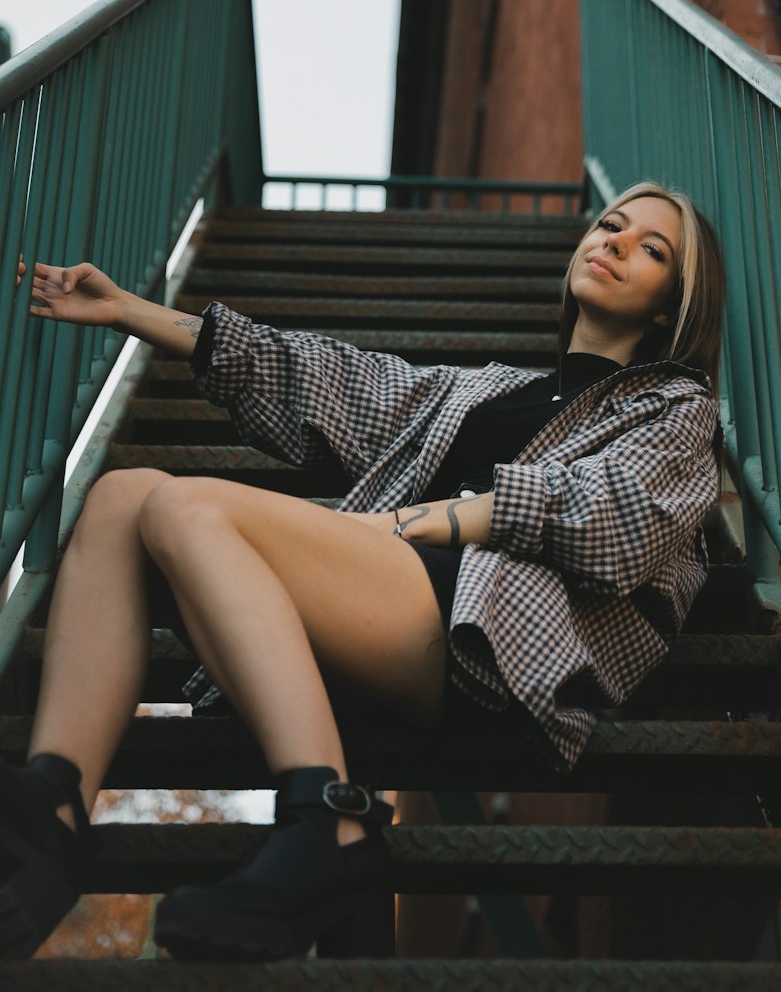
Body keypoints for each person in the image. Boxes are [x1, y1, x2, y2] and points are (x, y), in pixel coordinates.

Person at [0, 181, 725, 962]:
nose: (614, 242)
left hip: (492, 634)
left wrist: (423, 521)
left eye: (651, 249)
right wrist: (130, 311)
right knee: (120, 496)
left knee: (184, 509)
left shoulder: (674, 408)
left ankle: (333, 818)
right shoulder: (485, 388)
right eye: (610, 225)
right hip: (394, 599)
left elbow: (615, 520)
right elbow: (331, 379)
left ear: (669, 308)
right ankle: (56, 811)